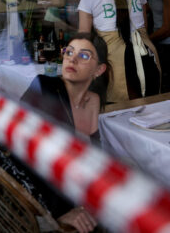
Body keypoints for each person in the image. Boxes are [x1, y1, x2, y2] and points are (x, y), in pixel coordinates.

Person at [21, 33, 110, 232]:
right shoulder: (44, 87)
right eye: (69, 52)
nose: (72, 58)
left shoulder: (93, 100)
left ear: (99, 70)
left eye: (84, 56)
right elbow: (22, 155)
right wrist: (56, 212)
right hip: (42, 204)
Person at [78, 0, 160, 102]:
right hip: (146, 54)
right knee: (149, 106)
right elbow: (144, 27)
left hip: (114, 61)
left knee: (117, 111)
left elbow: (83, 41)